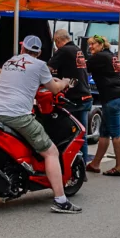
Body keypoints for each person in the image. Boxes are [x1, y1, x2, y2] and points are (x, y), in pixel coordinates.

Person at [0, 35, 80, 214]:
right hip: (17, 115)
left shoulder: (9, 62)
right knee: (51, 151)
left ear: (22, 48)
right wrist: (65, 82)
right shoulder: (40, 65)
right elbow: (53, 88)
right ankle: (61, 201)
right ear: (39, 52)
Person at [84, 35, 120, 176]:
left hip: (112, 97)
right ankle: (95, 164)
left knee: (116, 134)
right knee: (104, 133)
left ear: (101, 44)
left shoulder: (100, 57)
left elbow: (81, 67)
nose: (90, 47)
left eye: (93, 44)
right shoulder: (111, 55)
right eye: (89, 45)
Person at [48, 29, 93, 166]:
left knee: (65, 135)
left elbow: (46, 69)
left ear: (58, 41)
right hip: (85, 96)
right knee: (81, 136)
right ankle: (82, 168)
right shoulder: (77, 49)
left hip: (72, 99)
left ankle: (66, 167)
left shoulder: (63, 51)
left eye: (55, 43)